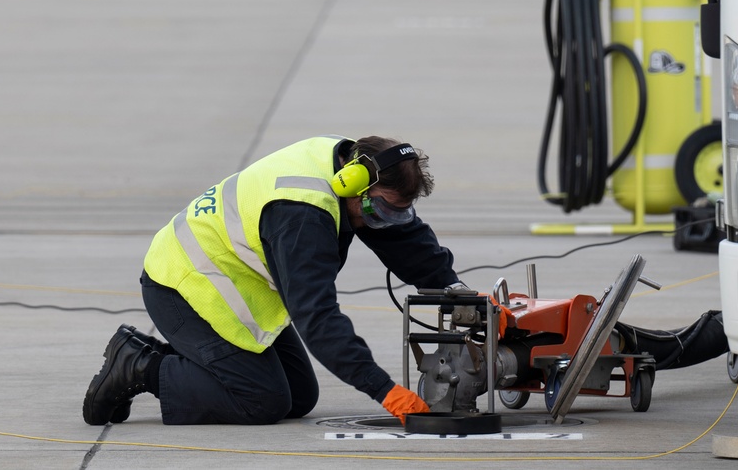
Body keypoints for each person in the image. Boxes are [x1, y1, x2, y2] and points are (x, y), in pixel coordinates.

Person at [83, 135, 464, 426]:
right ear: (351, 182)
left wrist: (457, 292)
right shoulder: (303, 216)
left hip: (234, 284)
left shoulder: (355, 163)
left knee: (299, 398)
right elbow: (316, 316)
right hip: (184, 286)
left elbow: (406, 240)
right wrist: (385, 391)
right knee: (261, 401)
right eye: (378, 210)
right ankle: (138, 364)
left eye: (397, 214)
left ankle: (192, 361)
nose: (383, 223)